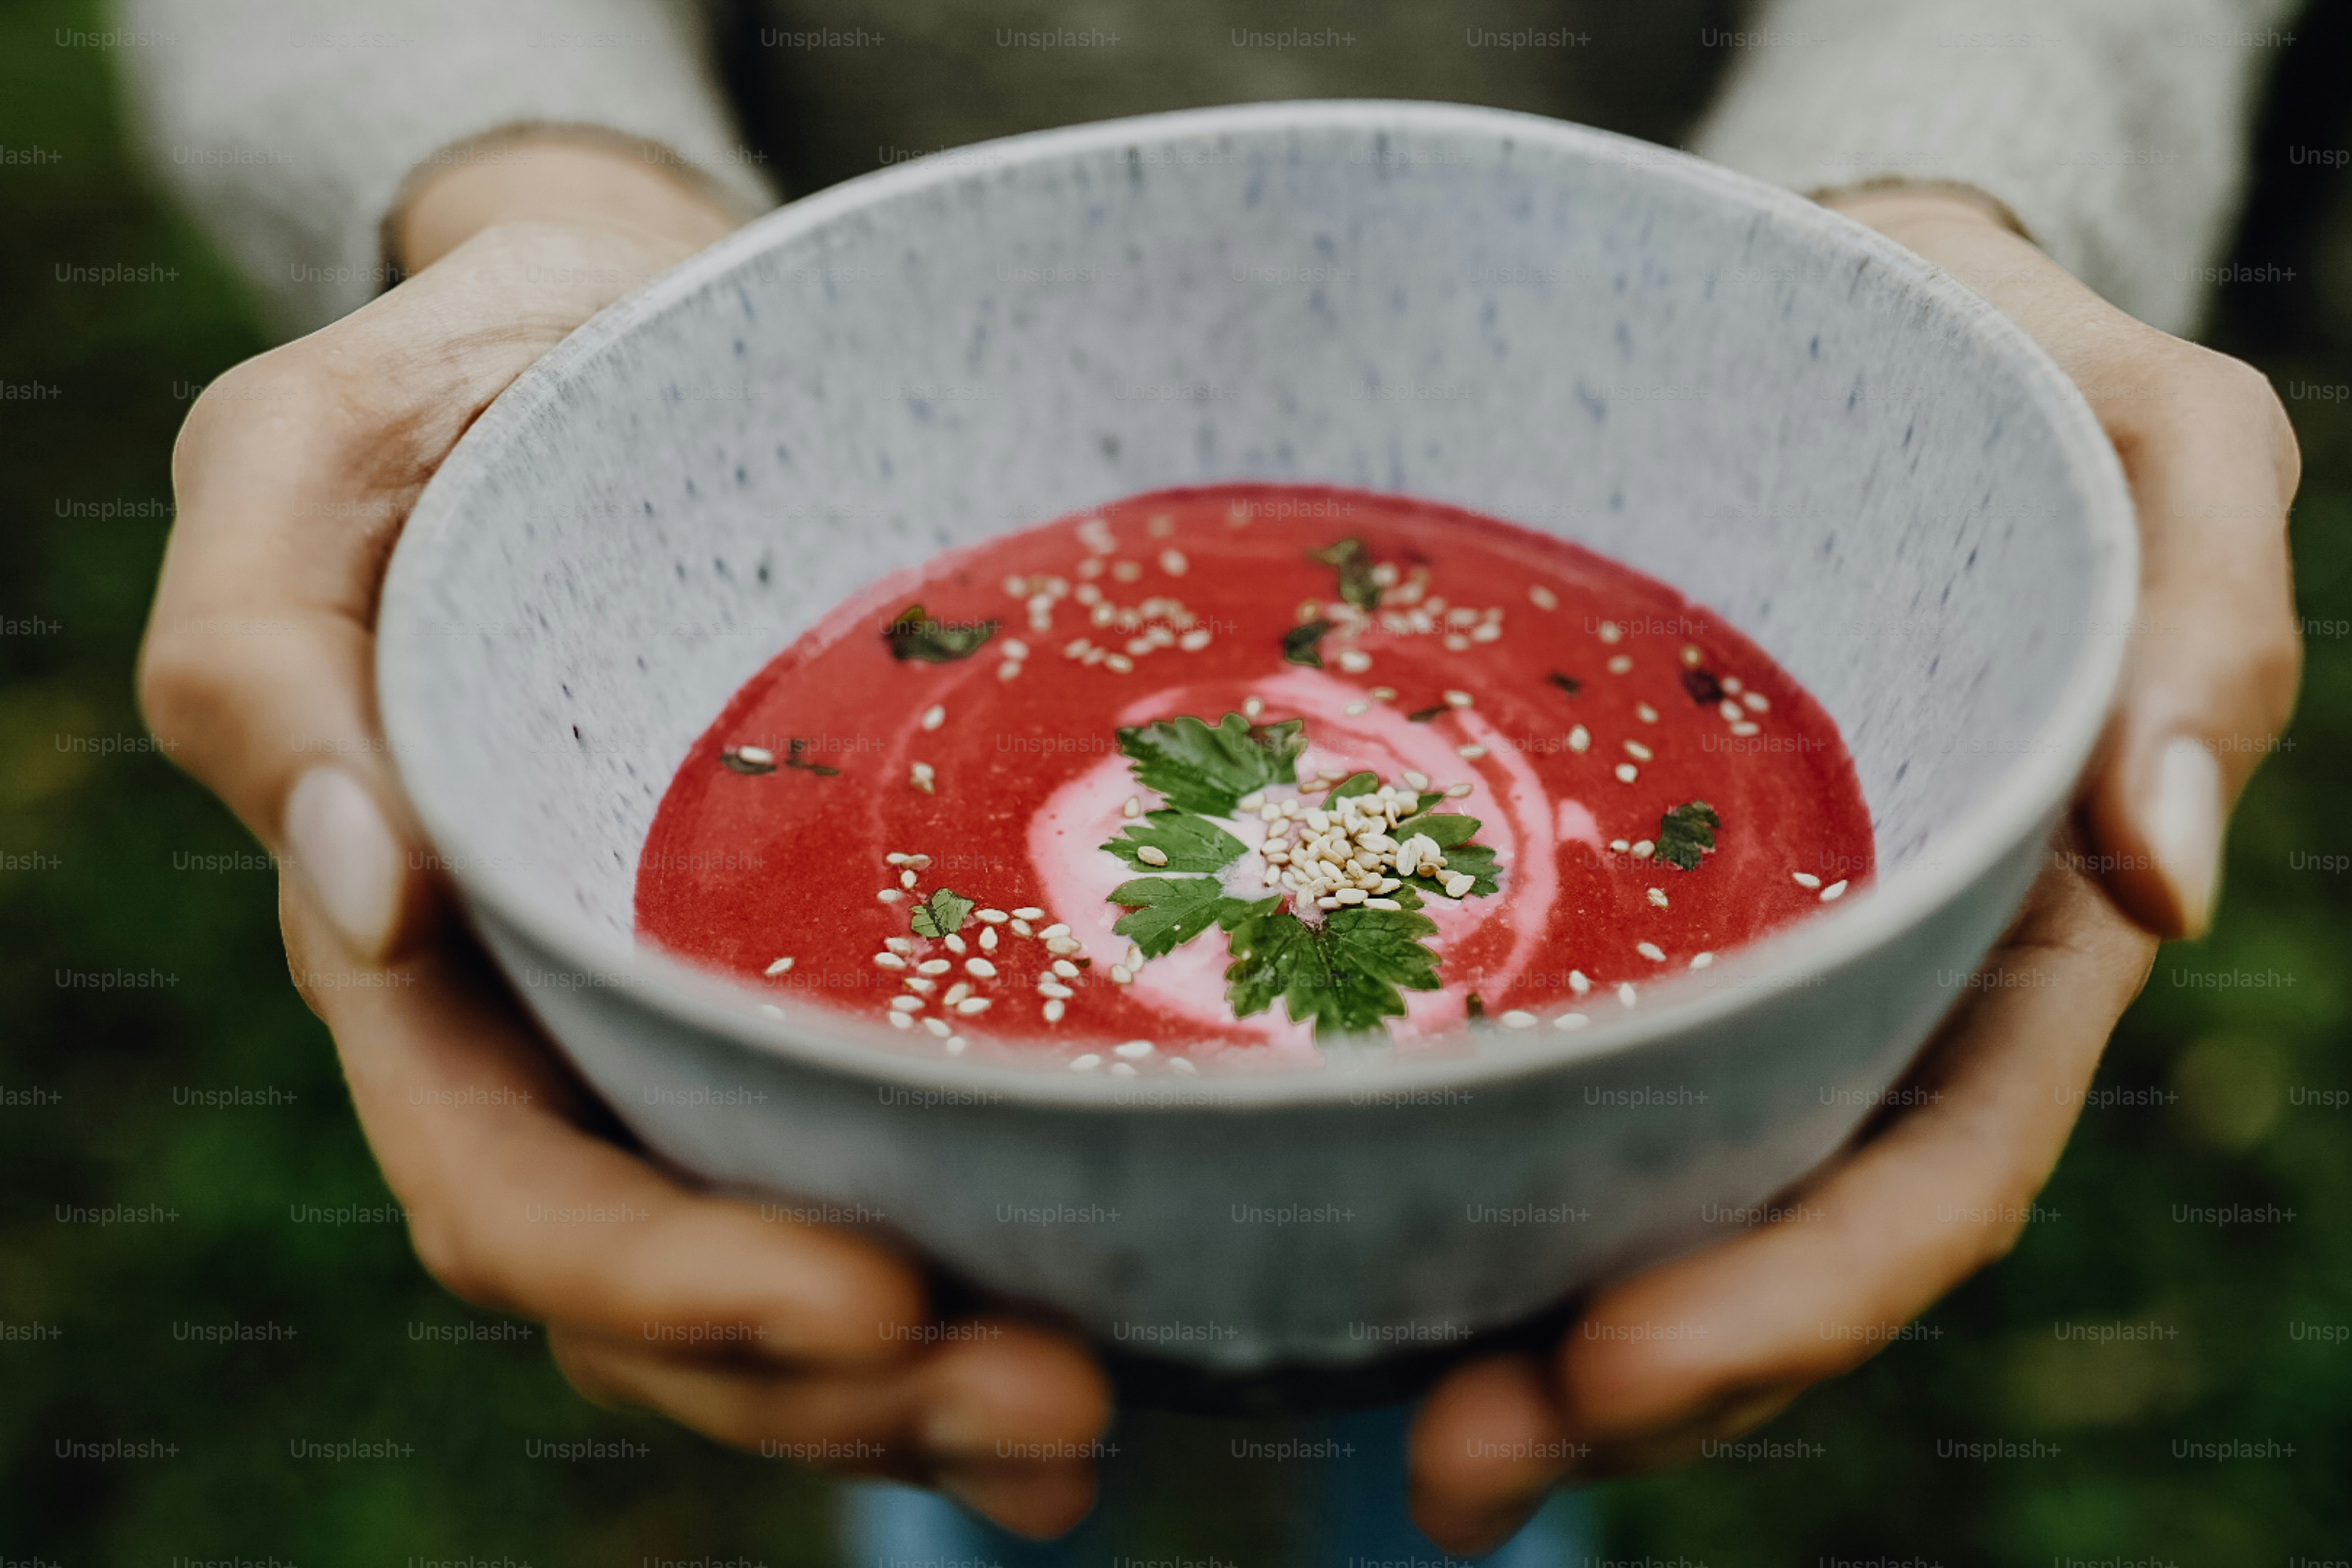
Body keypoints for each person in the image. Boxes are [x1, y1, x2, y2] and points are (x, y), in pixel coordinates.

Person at [120, 0, 2304, 1555]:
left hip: (1697, 351)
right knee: (946, 1356)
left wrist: (1904, 235)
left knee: (1513, 1348)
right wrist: (546, 194)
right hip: (795, 332)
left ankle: (1463, 1480)